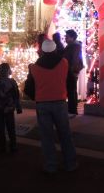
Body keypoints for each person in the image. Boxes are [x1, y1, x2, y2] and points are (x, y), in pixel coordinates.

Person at [25, 39, 77, 173]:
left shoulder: (34, 67)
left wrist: (37, 97)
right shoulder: (64, 63)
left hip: (42, 104)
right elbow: (71, 82)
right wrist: (66, 94)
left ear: (42, 51)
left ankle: (51, 165)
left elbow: (28, 88)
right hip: (59, 102)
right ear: (55, 50)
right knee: (65, 134)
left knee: (47, 136)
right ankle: (70, 163)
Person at [63, 30, 84, 117]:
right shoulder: (72, 46)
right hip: (70, 71)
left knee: (71, 91)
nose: (65, 38)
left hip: (71, 71)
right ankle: (71, 109)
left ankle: (72, 110)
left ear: (72, 37)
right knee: (71, 90)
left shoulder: (74, 46)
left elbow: (74, 60)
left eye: (67, 37)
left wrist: (72, 70)